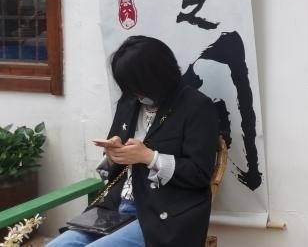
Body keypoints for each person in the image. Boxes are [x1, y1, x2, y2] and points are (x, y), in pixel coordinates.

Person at [51, 36, 219, 247]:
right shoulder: (129, 102)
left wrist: (149, 157)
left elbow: (199, 173)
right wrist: (113, 154)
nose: (137, 94)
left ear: (159, 75)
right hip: (116, 205)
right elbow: (111, 169)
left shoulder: (196, 107)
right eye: (130, 88)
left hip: (165, 214)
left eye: (139, 87)